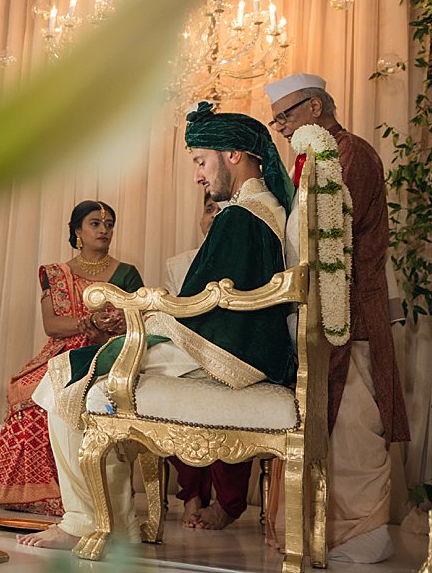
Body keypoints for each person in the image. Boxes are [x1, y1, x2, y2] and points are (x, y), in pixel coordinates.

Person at [19, 103, 295, 549]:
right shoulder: (262, 211)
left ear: (234, 155)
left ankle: (83, 522)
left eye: (201, 162)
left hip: (223, 353)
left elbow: (206, 306)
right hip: (231, 346)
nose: (198, 177)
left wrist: (147, 316)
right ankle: (113, 525)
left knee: (62, 381)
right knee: (76, 384)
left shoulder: (242, 218)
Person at [263, 73, 411, 564]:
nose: (279, 126)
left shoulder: (350, 154)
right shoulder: (314, 155)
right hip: (320, 313)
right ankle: (327, 532)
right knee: (327, 426)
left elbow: (333, 241)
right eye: (276, 117)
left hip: (354, 313)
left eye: (285, 114)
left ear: (314, 107)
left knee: (355, 426)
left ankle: (366, 533)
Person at [0, 201, 143, 516]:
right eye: (95, 224)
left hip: (106, 352)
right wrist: (88, 322)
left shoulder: (127, 273)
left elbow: (138, 320)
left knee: (61, 393)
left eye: (109, 225)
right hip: (62, 350)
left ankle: (70, 494)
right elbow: (52, 325)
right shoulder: (55, 273)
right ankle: (30, 491)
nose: (104, 230)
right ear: (77, 230)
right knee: (26, 391)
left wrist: (110, 326)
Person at [164, 191, 220, 295]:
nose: (215, 214)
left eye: (222, 209)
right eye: (209, 210)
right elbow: (169, 310)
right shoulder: (176, 265)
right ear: (201, 221)